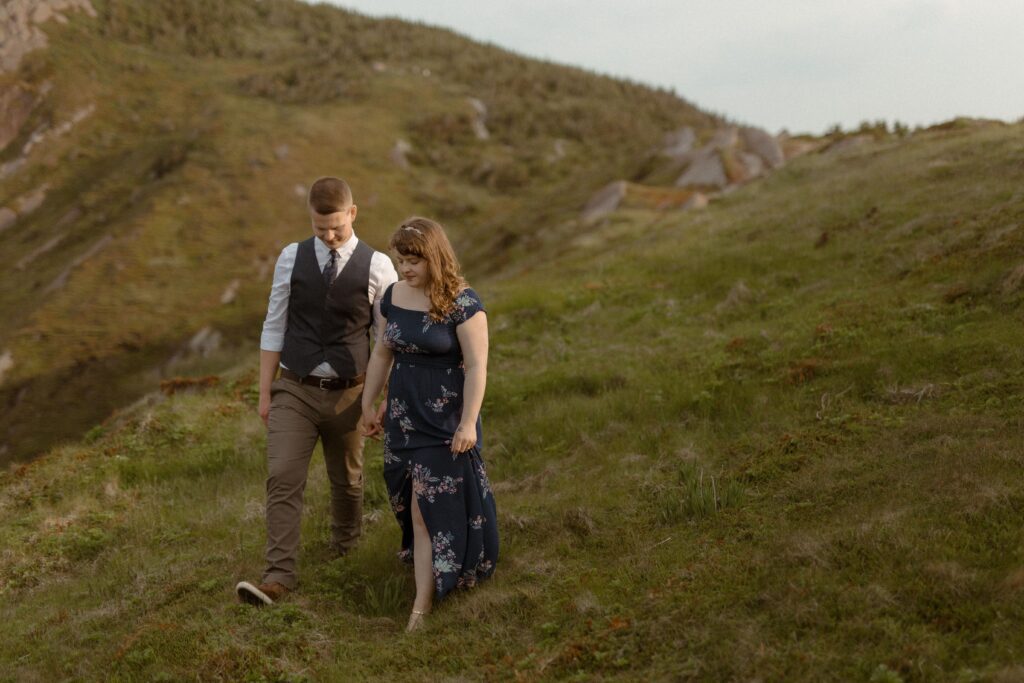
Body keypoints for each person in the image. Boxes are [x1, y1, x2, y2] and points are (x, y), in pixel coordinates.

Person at [236, 177, 398, 606]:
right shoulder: (291, 258)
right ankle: (278, 577)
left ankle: (347, 554)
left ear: (353, 214)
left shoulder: (380, 266)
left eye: (336, 229)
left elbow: (388, 342)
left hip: (351, 392)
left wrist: (379, 401)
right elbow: (274, 324)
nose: (328, 236)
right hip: (295, 387)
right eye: (319, 228)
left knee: (347, 482)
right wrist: (266, 392)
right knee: (283, 476)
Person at [360, 217, 499, 632]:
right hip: (403, 419)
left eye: (414, 261)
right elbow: (383, 353)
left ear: (434, 257)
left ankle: (421, 607)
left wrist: (468, 424)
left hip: (444, 422)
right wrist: (368, 404)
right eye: (401, 260)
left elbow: (477, 367)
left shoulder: (463, 303)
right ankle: (436, 569)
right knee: (409, 505)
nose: (405, 269)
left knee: (426, 510)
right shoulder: (392, 296)